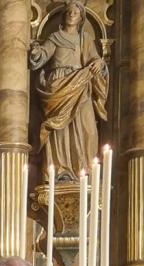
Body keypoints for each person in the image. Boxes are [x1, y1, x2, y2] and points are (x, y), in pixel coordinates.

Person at [28, 0, 109, 180]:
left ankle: (84, 170)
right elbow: (43, 55)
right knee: (59, 130)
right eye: (69, 12)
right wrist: (36, 52)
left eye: (76, 12)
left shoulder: (85, 38)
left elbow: (95, 60)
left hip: (81, 85)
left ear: (81, 17)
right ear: (64, 16)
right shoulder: (55, 37)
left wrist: (99, 63)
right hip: (58, 87)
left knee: (88, 129)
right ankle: (59, 170)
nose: (72, 14)